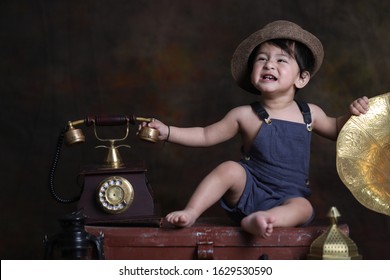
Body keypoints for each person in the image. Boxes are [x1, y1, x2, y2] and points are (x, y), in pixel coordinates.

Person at [143, 20, 369, 238]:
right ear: (252, 74)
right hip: (248, 191)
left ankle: (263, 219)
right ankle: (191, 211)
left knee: (304, 208)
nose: (269, 64)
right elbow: (205, 134)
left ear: (301, 78)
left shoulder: (310, 113)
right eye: (262, 59)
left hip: (288, 197)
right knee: (229, 169)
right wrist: (168, 132)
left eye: (281, 60)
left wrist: (352, 113)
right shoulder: (244, 115)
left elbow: (339, 129)